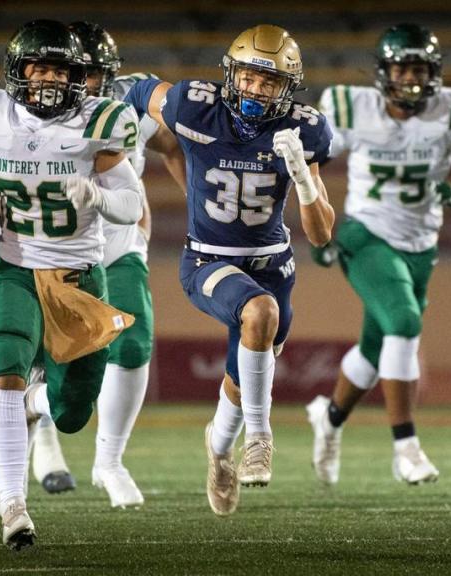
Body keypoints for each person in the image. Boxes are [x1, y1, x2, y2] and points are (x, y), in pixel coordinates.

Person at [0, 21, 187, 511]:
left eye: (92, 74)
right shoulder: (10, 113)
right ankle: (9, 468)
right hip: (35, 240)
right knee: (23, 358)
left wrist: (190, 203)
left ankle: (109, 461)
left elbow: (172, 145)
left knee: (130, 344)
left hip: (112, 243)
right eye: (78, 72)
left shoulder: (121, 108)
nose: (80, 84)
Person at [125, 25, 335, 516]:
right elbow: (137, 90)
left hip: (272, 265)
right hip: (208, 259)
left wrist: (304, 178)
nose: (257, 91)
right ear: (231, 74)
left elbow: (322, 233)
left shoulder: (303, 130)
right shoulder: (195, 105)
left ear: (288, 89)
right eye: (248, 77)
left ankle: (218, 452)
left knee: (242, 381)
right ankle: (260, 439)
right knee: (259, 314)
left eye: (270, 83)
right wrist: (113, 147)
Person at [308, 24, 451, 486]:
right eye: (402, 68)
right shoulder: (356, 112)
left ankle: (329, 420)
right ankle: (406, 446)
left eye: (419, 69)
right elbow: (310, 162)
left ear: (434, 73)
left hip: (420, 246)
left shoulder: (450, 118)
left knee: (377, 349)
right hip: (367, 236)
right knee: (404, 323)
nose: (411, 79)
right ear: (383, 72)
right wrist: (318, 225)